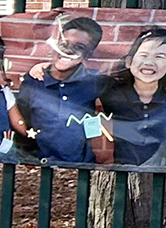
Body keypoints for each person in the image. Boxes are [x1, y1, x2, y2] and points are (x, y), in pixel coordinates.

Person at [8, 15, 109, 164]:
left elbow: (128, 76)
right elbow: (21, 126)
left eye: (79, 47)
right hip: (39, 166)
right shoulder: (34, 82)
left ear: (88, 54)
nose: (68, 50)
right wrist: (28, 162)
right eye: (64, 43)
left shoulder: (95, 82)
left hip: (79, 167)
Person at [100, 28, 166, 168]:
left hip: (164, 175)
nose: (149, 62)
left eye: (159, 57)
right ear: (129, 62)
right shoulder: (111, 93)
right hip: (123, 174)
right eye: (144, 55)